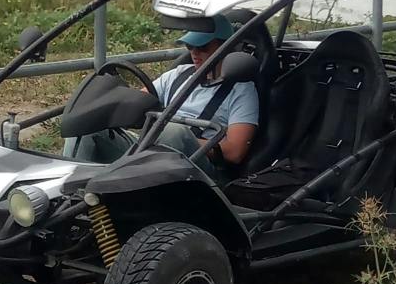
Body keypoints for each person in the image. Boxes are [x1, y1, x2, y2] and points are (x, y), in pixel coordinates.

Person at [65, 15, 259, 171]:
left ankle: (129, 191)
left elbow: (235, 152)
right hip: (150, 148)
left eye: (203, 47)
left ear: (225, 47)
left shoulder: (241, 89)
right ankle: (69, 192)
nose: (194, 53)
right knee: (89, 124)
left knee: (173, 131)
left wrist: (185, 139)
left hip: (195, 165)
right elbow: (135, 104)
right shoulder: (178, 74)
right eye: (190, 46)